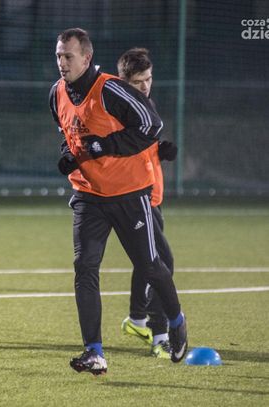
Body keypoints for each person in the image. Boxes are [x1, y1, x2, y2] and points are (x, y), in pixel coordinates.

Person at [49, 28, 187, 375]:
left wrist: (105, 146)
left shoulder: (110, 89)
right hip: (88, 196)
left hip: (129, 194)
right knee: (85, 267)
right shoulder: (56, 93)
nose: (62, 62)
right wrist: (68, 156)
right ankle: (94, 352)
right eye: (59, 55)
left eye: (68, 56)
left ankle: (175, 321)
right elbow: (69, 134)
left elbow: (151, 125)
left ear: (86, 58)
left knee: (151, 265)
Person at [116, 48, 178, 359]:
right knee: (161, 263)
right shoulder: (118, 111)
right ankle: (160, 335)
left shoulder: (147, 105)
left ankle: (137, 319)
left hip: (153, 196)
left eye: (149, 79)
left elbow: (141, 147)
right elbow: (120, 152)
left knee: (148, 261)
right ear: (123, 82)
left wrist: (159, 150)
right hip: (135, 197)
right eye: (138, 81)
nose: (145, 86)